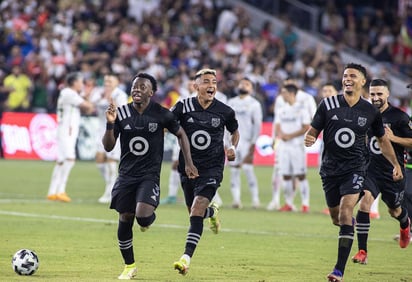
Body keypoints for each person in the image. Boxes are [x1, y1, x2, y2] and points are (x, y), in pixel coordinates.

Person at [304, 63, 403, 282]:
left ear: (362, 82)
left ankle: (338, 270)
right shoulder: (327, 104)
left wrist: (395, 163)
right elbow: (312, 132)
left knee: (347, 210)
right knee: (337, 217)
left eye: (353, 76)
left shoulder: (370, 111)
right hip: (330, 170)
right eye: (345, 75)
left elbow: (382, 140)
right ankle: (350, 228)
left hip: (356, 168)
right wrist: (309, 138)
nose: (347, 79)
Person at [102, 72, 198, 280]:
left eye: (142, 87)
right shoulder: (122, 113)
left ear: (151, 92)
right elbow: (108, 146)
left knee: (143, 218)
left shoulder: (162, 114)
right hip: (126, 175)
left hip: (149, 175)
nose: (136, 89)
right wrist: (110, 123)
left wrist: (188, 162)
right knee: (125, 217)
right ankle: (129, 266)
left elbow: (181, 134)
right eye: (134, 86)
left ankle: (146, 220)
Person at [172, 68, 239, 276]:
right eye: (206, 82)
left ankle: (186, 258)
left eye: (214, 82)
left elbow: (234, 131)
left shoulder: (225, 111)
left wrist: (232, 147)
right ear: (196, 86)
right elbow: (166, 123)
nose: (211, 86)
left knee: (197, 207)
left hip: (212, 167)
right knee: (195, 213)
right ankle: (213, 212)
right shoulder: (183, 107)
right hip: (188, 167)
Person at [351, 79, 412, 265]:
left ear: (387, 95)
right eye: (373, 94)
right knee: (364, 204)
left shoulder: (399, 117)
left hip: (393, 172)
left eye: (379, 94)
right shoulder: (365, 114)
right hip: (371, 171)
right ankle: (362, 252)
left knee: (395, 210)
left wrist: (393, 138)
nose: (376, 98)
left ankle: (405, 225)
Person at [160, 75, 226, 206]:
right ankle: (172, 195)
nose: (191, 85)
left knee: (205, 168)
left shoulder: (214, 99)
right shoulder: (183, 99)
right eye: (189, 83)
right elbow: (172, 117)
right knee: (176, 165)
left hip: (204, 141)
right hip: (183, 138)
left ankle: (213, 196)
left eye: (192, 83)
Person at [267, 78, 316, 211]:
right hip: (283, 146)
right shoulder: (282, 109)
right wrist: (281, 134)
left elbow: (306, 126)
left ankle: (305, 204)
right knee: (286, 175)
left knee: (300, 175)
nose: (282, 95)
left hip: (297, 146)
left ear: (292, 93)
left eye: (284, 93)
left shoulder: (301, 109)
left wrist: (290, 135)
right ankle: (289, 203)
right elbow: (276, 124)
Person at [46, 72, 94, 202]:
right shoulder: (69, 93)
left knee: (61, 161)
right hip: (67, 130)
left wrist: (86, 97)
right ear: (74, 82)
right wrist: (87, 96)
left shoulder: (70, 94)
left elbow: (88, 110)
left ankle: (52, 191)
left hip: (66, 130)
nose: (82, 84)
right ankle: (61, 190)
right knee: (70, 159)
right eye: (81, 82)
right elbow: (88, 107)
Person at [91, 73, 128, 203]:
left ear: (116, 82)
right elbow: (90, 106)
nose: (107, 84)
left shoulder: (120, 95)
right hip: (100, 130)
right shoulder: (99, 93)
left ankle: (110, 192)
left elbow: (123, 112)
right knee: (99, 159)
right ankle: (110, 184)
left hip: (114, 130)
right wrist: (101, 97)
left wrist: (112, 102)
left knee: (111, 160)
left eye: (110, 81)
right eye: (106, 81)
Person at [227, 77, 262, 209]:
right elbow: (226, 124)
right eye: (242, 83)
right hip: (233, 142)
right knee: (234, 170)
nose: (243, 85)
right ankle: (236, 200)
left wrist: (253, 143)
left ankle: (255, 200)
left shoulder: (254, 104)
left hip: (247, 141)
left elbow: (257, 125)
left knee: (248, 169)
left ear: (251, 89)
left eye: (247, 84)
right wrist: (226, 143)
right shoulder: (231, 102)